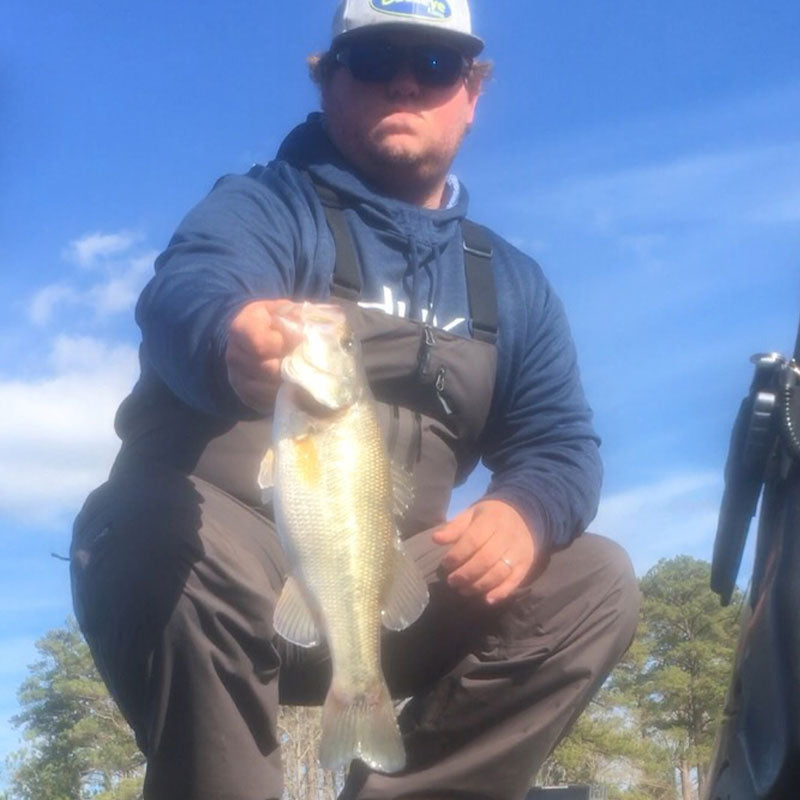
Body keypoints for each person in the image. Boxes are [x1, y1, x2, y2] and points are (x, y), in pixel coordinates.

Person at [70, 1, 640, 798]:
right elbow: (185, 291)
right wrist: (228, 333)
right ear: (328, 80)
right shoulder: (264, 206)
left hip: (384, 592)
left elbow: (563, 446)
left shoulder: (513, 283)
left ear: (473, 92)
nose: (405, 80)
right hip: (209, 579)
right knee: (153, 523)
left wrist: (529, 511)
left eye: (436, 65)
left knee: (596, 579)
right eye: (375, 61)